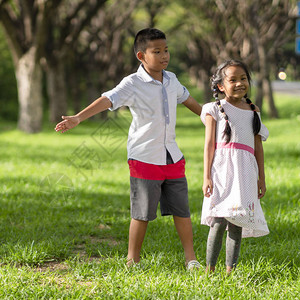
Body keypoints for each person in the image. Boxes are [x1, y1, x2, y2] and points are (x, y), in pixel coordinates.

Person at [55, 28, 202, 270]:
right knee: (142, 213)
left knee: (182, 211)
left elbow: (193, 104)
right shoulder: (132, 83)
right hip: (144, 157)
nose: (164, 55)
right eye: (157, 51)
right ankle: (132, 260)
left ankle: (191, 259)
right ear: (141, 56)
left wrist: (217, 118)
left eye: (166, 50)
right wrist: (79, 118)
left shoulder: (172, 79)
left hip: (172, 156)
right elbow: (107, 99)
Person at [200, 60, 269, 274]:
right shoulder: (213, 109)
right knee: (219, 220)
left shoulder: (253, 110)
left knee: (237, 221)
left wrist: (261, 178)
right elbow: (209, 145)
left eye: (243, 78)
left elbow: (258, 147)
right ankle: (210, 270)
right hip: (222, 171)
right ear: (221, 86)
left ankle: (231, 270)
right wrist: (207, 177)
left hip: (246, 173)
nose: (239, 83)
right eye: (233, 80)